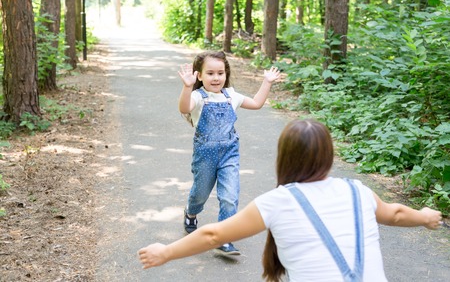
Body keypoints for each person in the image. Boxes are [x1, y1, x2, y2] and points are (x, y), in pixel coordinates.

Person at [138, 119, 443, 281]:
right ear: (329, 156)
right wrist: (427, 217)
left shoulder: (278, 201)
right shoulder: (357, 190)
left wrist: (165, 252)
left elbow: (213, 234)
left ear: (283, 157)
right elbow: (397, 214)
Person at [177, 50, 281, 255]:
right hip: (204, 155)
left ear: (226, 74)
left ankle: (224, 238)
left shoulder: (231, 95)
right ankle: (191, 213)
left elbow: (257, 104)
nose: (216, 78)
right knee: (200, 193)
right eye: (210, 73)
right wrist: (187, 87)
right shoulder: (198, 97)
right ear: (199, 75)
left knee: (229, 196)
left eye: (220, 73)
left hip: (228, 154)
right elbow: (184, 107)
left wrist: (267, 82)